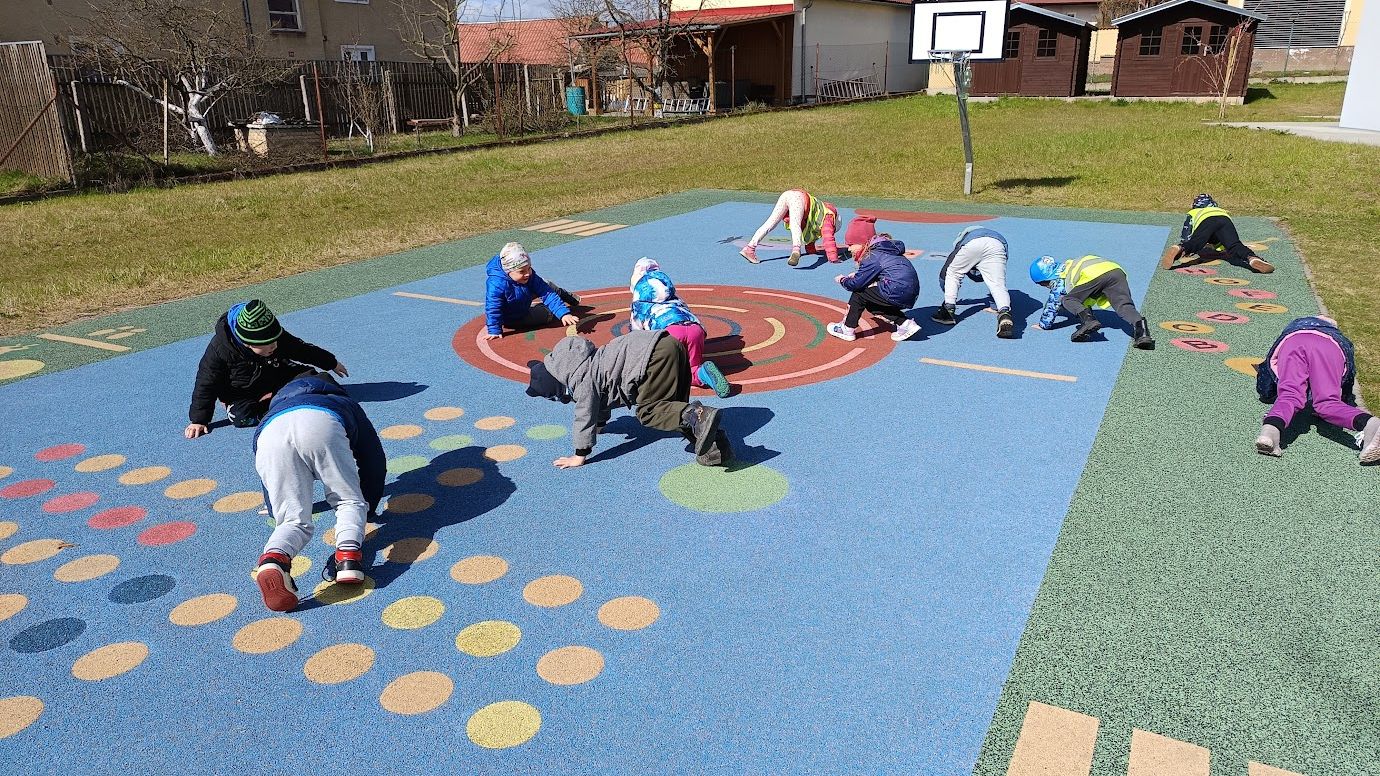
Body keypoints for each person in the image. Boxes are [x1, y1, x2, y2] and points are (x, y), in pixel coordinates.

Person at [252, 374, 386, 612]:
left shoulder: (272, 411)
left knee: (292, 520)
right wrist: (369, 505)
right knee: (348, 501)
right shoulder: (342, 401)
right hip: (322, 422)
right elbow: (372, 458)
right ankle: (347, 558)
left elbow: (267, 477)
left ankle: (274, 559)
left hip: (271, 435)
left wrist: (274, 508)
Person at [525, 330, 732, 468]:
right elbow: (600, 401)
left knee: (650, 412)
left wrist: (580, 454)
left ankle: (698, 415)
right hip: (669, 343)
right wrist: (600, 424)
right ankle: (716, 448)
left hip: (652, 357)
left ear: (557, 386)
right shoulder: (583, 361)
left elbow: (584, 413)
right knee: (673, 408)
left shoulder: (580, 380)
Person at [185, 299, 347, 438]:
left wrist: (330, 362)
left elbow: (301, 349)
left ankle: (286, 398)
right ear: (247, 343)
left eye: (275, 340)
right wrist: (199, 419)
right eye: (268, 344)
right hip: (242, 390)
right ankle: (280, 403)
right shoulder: (220, 349)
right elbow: (206, 382)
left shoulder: (273, 335)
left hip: (276, 373)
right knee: (240, 417)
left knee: (315, 381)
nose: (274, 346)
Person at [1254, 315, 1380, 462]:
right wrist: (1346, 400)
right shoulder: (1338, 338)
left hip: (1293, 343)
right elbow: (1349, 375)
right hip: (1329, 348)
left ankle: (1269, 433)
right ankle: (1370, 424)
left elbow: (1266, 374)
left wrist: (1266, 393)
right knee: (1327, 403)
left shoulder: (1294, 329)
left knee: (1289, 396)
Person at [629, 258, 731, 398]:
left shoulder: (639, 305)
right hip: (695, 329)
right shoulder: (675, 298)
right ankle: (702, 372)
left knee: (674, 374)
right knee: (692, 367)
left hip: (669, 333)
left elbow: (636, 335)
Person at [1030, 255, 1155, 349]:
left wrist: (1043, 325)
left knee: (1067, 299)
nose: (1046, 287)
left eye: (1043, 284)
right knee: (1124, 306)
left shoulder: (1059, 280)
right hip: (1116, 271)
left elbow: (1053, 303)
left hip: (1095, 275)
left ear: (1046, 278)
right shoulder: (1069, 266)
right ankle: (1143, 333)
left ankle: (1089, 321)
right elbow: (1086, 296)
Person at [826, 233, 922, 343]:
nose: (849, 248)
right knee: (871, 302)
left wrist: (843, 280)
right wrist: (858, 277)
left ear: (863, 244)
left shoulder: (872, 256)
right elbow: (887, 273)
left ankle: (847, 328)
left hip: (895, 290)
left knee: (859, 293)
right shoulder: (887, 251)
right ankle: (905, 324)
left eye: (851, 244)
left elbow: (856, 284)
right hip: (908, 292)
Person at [932, 226, 1015, 339]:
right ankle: (1004, 313)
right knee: (997, 284)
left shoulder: (962, 239)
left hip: (973, 244)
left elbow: (945, 274)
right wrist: (994, 305)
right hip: (998, 246)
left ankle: (948, 311)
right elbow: (982, 276)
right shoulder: (993, 235)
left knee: (953, 273)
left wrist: (946, 292)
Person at [485, 242, 581, 339]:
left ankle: (567, 296)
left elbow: (547, 293)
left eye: (529, 268)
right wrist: (494, 330)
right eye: (522, 271)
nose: (527, 274)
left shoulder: (527, 276)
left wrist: (563, 313)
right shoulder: (497, 284)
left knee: (546, 285)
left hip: (522, 296)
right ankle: (546, 309)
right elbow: (493, 307)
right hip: (514, 317)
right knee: (547, 315)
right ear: (508, 271)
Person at [1163, 194, 1274, 274]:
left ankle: (1179, 249)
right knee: (1235, 245)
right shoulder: (1220, 210)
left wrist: (1184, 244)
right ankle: (1252, 258)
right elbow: (1223, 238)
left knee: (1196, 242)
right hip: (1224, 220)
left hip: (1206, 222)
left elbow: (1186, 233)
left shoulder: (1194, 212)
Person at [739, 189, 841, 266]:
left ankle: (750, 248)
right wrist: (833, 258)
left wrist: (811, 249)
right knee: (795, 224)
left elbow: (810, 231)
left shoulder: (821, 210)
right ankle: (796, 250)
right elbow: (828, 237)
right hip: (798, 199)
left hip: (787, 194)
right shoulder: (828, 217)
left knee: (770, 223)